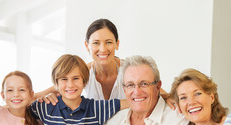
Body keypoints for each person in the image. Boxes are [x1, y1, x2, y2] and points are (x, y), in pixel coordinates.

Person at [37, 19, 175, 108]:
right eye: (96, 43)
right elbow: (56, 88)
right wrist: (45, 97)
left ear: (117, 44)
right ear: (87, 46)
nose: (102, 49)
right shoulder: (82, 72)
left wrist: (169, 99)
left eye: (109, 42)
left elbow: (156, 91)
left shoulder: (130, 70)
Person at [30, 54, 129, 125]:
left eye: (76, 78)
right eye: (64, 79)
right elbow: (18, 108)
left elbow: (132, 101)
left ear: (85, 81)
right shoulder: (46, 106)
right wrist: (41, 96)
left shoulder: (96, 109)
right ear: (56, 83)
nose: (70, 85)